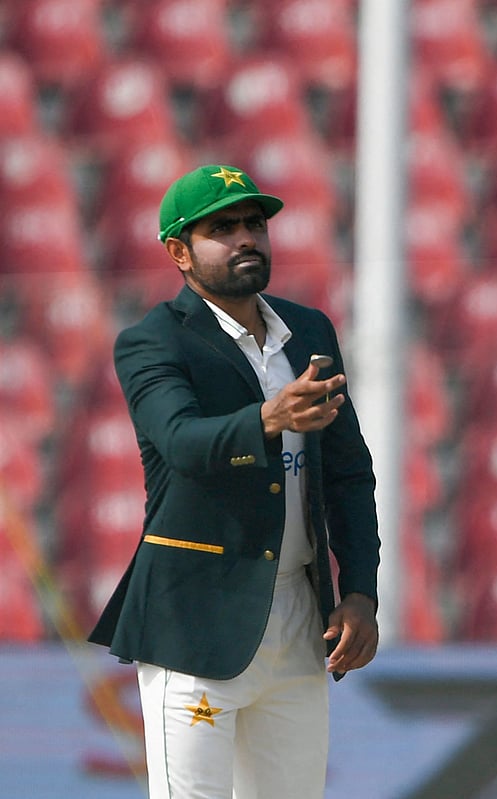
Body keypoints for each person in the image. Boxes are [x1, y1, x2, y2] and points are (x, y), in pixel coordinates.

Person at [88, 164, 381, 798]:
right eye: (222, 229)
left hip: (299, 618)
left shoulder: (309, 330)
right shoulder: (152, 341)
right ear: (179, 252)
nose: (246, 237)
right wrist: (269, 419)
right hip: (193, 619)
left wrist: (361, 589)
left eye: (254, 223)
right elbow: (181, 443)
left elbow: (349, 473)